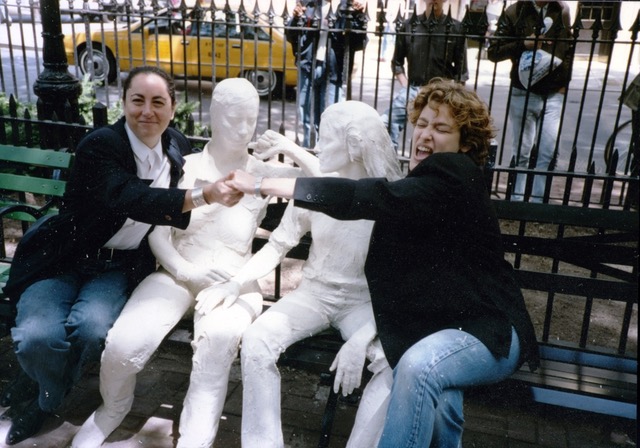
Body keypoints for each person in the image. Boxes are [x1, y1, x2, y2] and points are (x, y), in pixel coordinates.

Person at [225, 78, 540, 447]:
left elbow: (367, 194)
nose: (425, 134)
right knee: (441, 399)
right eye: (421, 123)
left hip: (488, 332)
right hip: (446, 327)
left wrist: (265, 184)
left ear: (465, 144)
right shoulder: (425, 183)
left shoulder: (453, 175)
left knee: (418, 367)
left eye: (441, 128)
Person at [0, 66, 243, 446]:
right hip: (65, 259)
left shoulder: (176, 146)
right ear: (124, 103)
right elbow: (131, 197)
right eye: (138, 100)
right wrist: (205, 194)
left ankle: (41, 395)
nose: (147, 111)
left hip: (118, 265)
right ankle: (46, 395)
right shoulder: (100, 145)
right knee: (36, 337)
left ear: (172, 107)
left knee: (93, 329)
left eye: (158, 102)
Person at [71, 78, 316, 448]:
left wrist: (290, 149)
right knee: (124, 343)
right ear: (215, 116)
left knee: (217, 342)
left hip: (235, 281)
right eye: (233, 118)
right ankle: (113, 408)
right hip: (177, 271)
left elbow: (329, 182)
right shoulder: (182, 165)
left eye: (250, 119)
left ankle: (195, 438)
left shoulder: (262, 174)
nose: (243, 129)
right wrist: (187, 270)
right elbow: (156, 231)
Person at [196, 100, 404, 448]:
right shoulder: (315, 191)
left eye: (326, 138)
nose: (318, 146)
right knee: (258, 340)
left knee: (390, 362)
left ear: (353, 145)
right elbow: (277, 246)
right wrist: (236, 282)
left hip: (364, 304)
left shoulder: (388, 200)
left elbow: (401, 286)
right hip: (314, 296)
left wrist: (361, 339)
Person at [488, 1, 573, 202]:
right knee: (522, 152)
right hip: (523, 91)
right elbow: (493, 51)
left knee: (547, 152)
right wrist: (523, 44)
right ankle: (518, 199)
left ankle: (537, 201)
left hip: (554, 93)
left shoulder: (561, 10)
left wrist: (564, 85)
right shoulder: (515, 11)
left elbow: (568, 48)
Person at [381, 0, 468, 150]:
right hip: (414, 89)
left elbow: (461, 72)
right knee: (385, 123)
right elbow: (397, 63)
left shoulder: (456, 28)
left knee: (435, 134)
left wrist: (452, 95)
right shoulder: (409, 25)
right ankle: (391, 164)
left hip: (442, 92)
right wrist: (406, 85)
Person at [287, 0, 368, 148]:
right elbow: (292, 36)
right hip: (308, 67)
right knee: (307, 118)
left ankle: (325, 158)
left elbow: (358, 43)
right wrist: (296, 19)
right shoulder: (309, 4)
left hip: (334, 70)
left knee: (331, 119)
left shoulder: (347, 7)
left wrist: (359, 17)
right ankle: (309, 152)